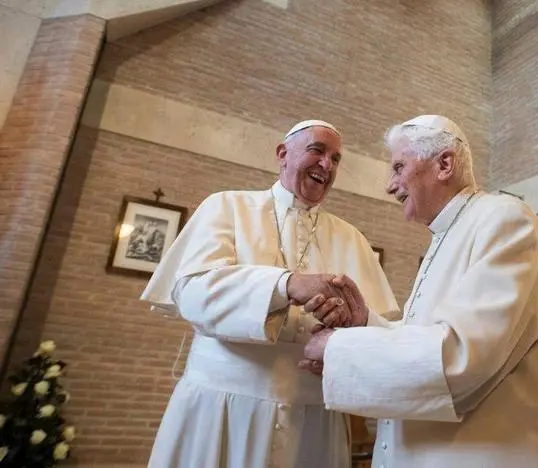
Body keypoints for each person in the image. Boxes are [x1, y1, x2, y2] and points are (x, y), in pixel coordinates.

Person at [299, 115, 538, 467]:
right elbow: (430, 337)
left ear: (444, 164)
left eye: (399, 167)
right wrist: (366, 322)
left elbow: (463, 357)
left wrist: (337, 347)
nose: (390, 185)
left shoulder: (503, 219)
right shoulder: (446, 236)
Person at [139, 119, 400, 468]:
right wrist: (286, 284)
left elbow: (378, 328)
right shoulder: (226, 207)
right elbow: (193, 293)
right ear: (282, 154)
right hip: (221, 409)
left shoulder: (353, 239)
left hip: (314, 421)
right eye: (317, 151)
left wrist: (343, 337)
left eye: (336, 159)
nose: (327, 165)